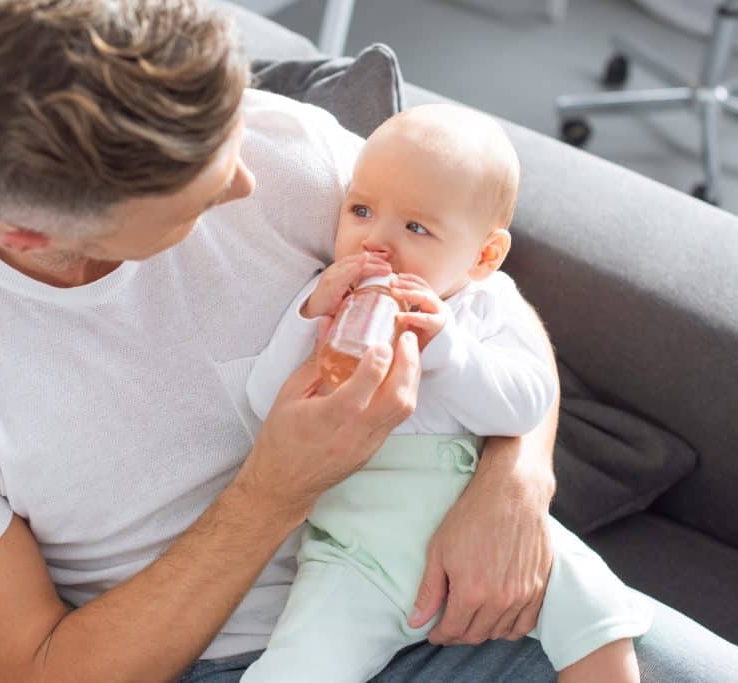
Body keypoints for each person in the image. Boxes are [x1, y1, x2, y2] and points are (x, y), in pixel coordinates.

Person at [0, 1, 738, 682]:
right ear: (33, 237)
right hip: (240, 654)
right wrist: (278, 485)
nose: (245, 191)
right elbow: (33, 667)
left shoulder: (281, 145)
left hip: (454, 564)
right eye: (197, 199)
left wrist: (516, 480)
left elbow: (483, 298)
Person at [240, 104, 651, 682]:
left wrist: (449, 352)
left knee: (599, 614)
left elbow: (526, 402)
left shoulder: (489, 306)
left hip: (477, 520)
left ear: (484, 256)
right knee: (296, 667)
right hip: (355, 557)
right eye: (360, 210)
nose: (375, 242)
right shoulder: (325, 300)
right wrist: (312, 316)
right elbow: (262, 400)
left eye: (415, 227)